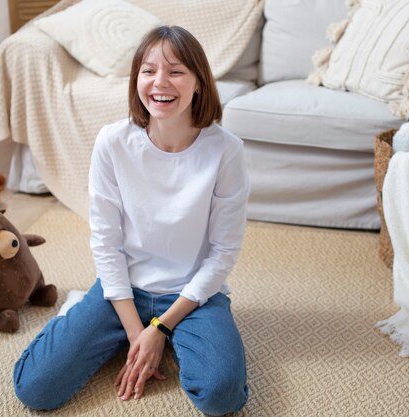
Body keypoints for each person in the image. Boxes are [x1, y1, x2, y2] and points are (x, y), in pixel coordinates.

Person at [13, 25, 250, 416]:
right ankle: (80, 313)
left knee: (222, 398)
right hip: (122, 289)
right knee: (34, 389)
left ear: (198, 83)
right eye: (148, 70)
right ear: (136, 79)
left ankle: (161, 332)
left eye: (176, 71)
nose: (160, 82)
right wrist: (136, 332)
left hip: (192, 296)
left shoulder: (226, 151)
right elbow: (106, 243)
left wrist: (160, 329)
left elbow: (224, 253)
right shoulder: (112, 142)